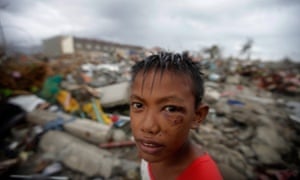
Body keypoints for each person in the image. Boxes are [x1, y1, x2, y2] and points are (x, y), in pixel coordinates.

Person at [129, 52, 223, 180]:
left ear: (197, 115)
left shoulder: (205, 176)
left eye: (170, 109)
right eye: (138, 105)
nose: (148, 126)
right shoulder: (151, 149)